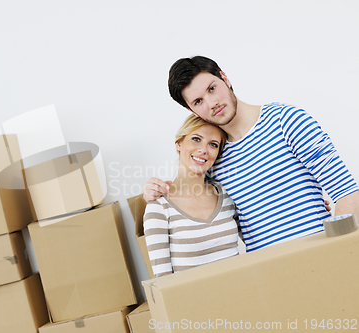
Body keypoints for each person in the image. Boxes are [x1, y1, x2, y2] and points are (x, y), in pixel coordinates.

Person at [144, 56, 359, 252]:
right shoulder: (211, 157)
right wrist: (155, 192)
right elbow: (196, 209)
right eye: (198, 101)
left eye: (212, 89)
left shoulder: (286, 120)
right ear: (192, 111)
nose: (212, 103)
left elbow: (348, 194)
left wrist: (336, 255)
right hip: (265, 280)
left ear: (225, 79)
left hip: (321, 261)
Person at [144, 115, 239, 277]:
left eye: (213, 145)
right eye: (196, 139)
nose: (203, 149)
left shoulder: (227, 196)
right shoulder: (159, 208)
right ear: (179, 143)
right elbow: (163, 282)